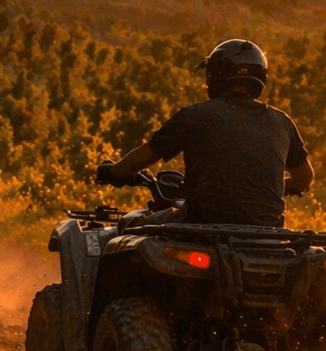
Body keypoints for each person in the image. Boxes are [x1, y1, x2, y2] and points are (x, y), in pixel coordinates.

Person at [99, 40, 313, 227]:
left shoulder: (194, 115)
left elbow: (138, 159)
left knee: (128, 223)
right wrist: (273, 187)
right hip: (269, 231)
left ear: (215, 75)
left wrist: (112, 173)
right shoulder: (282, 121)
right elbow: (305, 179)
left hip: (200, 224)